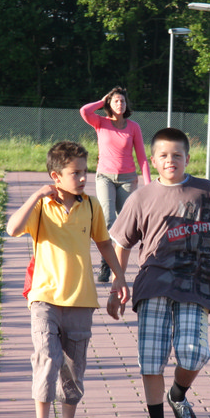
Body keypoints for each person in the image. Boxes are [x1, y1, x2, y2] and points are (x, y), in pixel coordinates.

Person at [110, 127, 210, 418]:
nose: (170, 160)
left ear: (187, 158)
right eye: (163, 155)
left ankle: (177, 395)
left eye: (177, 155)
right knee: (151, 359)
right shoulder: (141, 197)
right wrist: (118, 281)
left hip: (196, 285)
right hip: (153, 284)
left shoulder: (207, 191)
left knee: (194, 352)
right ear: (153, 160)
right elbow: (122, 242)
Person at [6, 141, 129, 418]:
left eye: (85, 171)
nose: (83, 178)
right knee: (47, 358)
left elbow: (104, 244)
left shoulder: (91, 206)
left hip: (81, 299)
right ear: (55, 176)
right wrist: (36, 195)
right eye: (76, 173)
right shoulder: (42, 206)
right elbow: (12, 228)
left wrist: (119, 277)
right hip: (44, 298)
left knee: (74, 368)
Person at [80, 87, 151, 283]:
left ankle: (128, 262)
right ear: (109, 104)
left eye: (123, 101)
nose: (120, 104)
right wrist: (101, 101)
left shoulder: (133, 127)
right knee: (108, 219)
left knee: (126, 223)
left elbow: (142, 157)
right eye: (116, 101)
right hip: (105, 177)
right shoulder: (100, 122)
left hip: (128, 179)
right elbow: (84, 111)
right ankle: (106, 264)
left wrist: (148, 183)